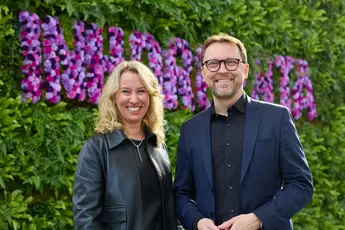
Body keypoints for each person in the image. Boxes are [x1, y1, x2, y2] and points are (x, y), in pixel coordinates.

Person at [174, 33, 313, 230]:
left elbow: (301, 185)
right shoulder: (190, 130)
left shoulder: (277, 118)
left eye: (231, 62)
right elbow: (181, 193)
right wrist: (197, 221)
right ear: (203, 72)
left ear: (245, 69)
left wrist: (258, 218)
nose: (222, 70)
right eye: (213, 64)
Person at [73, 60, 177, 230]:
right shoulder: (96, 150)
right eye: (126, 92)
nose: (134, 99)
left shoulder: (158, 146)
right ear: (114, 97)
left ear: (150, 97)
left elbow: (170, 211)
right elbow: (86, 219)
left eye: (141, 91)